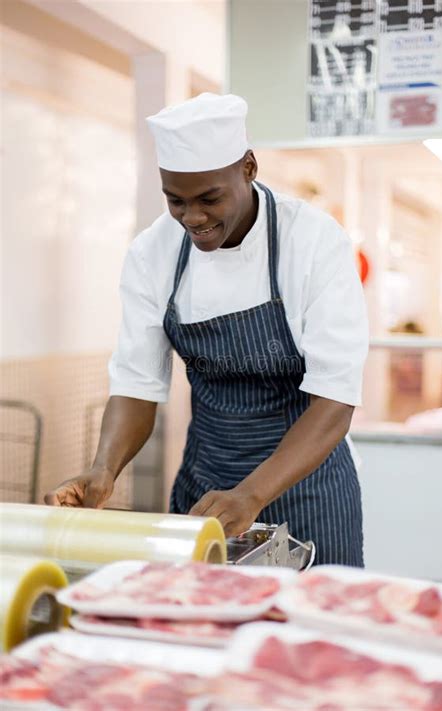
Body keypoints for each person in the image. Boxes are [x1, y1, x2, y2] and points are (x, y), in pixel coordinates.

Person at [45, 93, 368, 566]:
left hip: (309, 485)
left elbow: (335, 399)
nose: (192, 218)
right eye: (176, 201)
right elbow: (137, 382)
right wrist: (104, 468)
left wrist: (253, 495)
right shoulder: (152, 253)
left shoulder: (313, 242)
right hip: (207, 484)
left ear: (249, 168)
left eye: (209, 198)